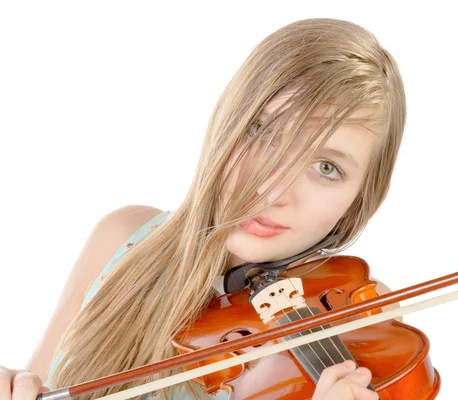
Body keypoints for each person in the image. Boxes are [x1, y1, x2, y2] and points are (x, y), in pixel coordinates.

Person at [1, 17, 406, 400]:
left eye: (326, 167)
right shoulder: (121, 238)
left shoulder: (363, 316)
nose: (273, 189)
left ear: (361, 197)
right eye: (263, 132)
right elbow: (38, 383)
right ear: (227, 122)